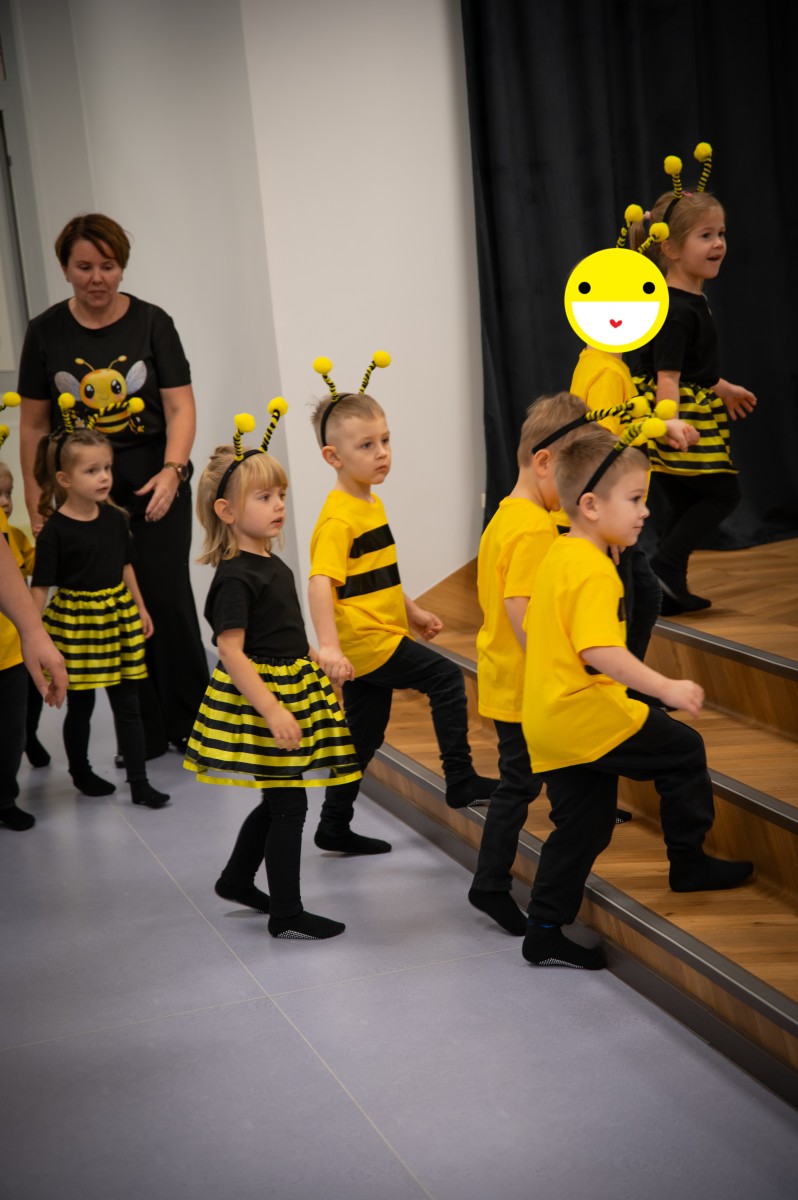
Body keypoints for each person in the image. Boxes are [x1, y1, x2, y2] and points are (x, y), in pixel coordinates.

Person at [521, 423, 753, 971]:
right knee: (684, 750)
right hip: (585, 713)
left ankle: (544, 929)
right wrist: (665, 686)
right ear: (591, 506)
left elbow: (536, 625)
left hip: (550, 719)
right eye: (634, 500)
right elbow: (599, 649)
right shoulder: (593, 570)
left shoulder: (560, 552)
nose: (645, 512)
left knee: (584, 828)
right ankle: (689, 864)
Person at [17, 213, 208, 757]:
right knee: (115, 608)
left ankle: (192, 723)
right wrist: (37, 498)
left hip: (153, 480)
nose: (97, 278)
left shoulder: (152, 323)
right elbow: (33, 424)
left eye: (108, 265)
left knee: (166, 599)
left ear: (122, 266)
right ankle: (142, 734)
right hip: (82, 494)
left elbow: (180, 406)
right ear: (65, 269)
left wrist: (172, 471)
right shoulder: (45, 331)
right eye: (84, 267)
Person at [307, 355, 498, 856]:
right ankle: (460, 779)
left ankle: (333, 824)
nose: (382, 453)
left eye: (385, 440)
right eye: (366, 445)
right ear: (333, 457)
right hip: (367, 640)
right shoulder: (338, 518)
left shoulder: (370, 503)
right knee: (445, 678)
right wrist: (328, 646)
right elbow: (321, 583)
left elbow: (375, 577)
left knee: (363, 736)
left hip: (380, 633)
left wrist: (411, 610)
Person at [183, 405, 357, 939]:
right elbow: (231, 651)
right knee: (289, 803)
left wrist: (318, 656)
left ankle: (237, 879)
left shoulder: (271, 564)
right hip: (260, 699)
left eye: (280, 494)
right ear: (226, 511)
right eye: (264, 497)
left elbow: (281, 632)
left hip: (288, 684)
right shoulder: (236, 577)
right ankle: (286, 913)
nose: (279, 504)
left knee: (280, 796)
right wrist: (273, 709)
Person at [469, 392, 588, 935]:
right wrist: (557, 667)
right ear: (544, 462)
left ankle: (495, 881)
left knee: (520, 781)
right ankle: (490, 884)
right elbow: (521, 608)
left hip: (501, 673)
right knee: (518, 785)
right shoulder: (535, 529)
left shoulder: (506, 515)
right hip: (523, 683)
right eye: (572, 477)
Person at [631, 154, 757, 613]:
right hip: (676, 415)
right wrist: (671, 422)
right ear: (670, 248)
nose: (719, 243)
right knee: (722, 493)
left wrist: (722, 387)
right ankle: (663, 568)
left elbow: (689, 366)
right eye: (706, 235)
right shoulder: (677, 310)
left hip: (682, 408)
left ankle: (666, 589)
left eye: (721, 233)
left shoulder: (687, 301)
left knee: (685, 501)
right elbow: (666, 375)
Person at [30, 425, 170, 809]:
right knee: (81, 705)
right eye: (91, 470)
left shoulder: (116, 519)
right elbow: (40, 586)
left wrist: (140, 607)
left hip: (117, 618)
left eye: (107, 468)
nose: (104, 477)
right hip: (77, 625)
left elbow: (126, 566)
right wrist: (34, 636)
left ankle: (139, 782)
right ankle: (81, 771)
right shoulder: (54, 531)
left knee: (128, 703)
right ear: (65, 479)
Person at [0, 452, 51, 769]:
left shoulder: (15, 537)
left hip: (16, 648)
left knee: (20, 716)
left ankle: (28, 738)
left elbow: (38, 566)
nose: (6, 502)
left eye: (9, 493)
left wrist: (50, 541)